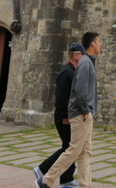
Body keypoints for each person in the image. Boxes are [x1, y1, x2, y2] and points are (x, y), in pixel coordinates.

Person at [37, 32, 101, 188]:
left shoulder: (87, 62)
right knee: (73, 150)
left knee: (85, 152)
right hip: (81, 115)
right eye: (99, 41)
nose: (100, 44)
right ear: (92, 44)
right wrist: (86, 111)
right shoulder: (85, 62)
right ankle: (46, 180)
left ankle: (85, 184)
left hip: (84, 114)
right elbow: (80, 91)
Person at [34, 42, 85, 187]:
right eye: (81, 55)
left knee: (69, 147)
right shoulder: (66, 73)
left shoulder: (72, 71)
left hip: (70, 117)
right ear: (75, 55)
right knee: (69, 148)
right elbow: (61, 98)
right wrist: (65, 117)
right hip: (64, 118)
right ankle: (42, 169)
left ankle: (66, 180)